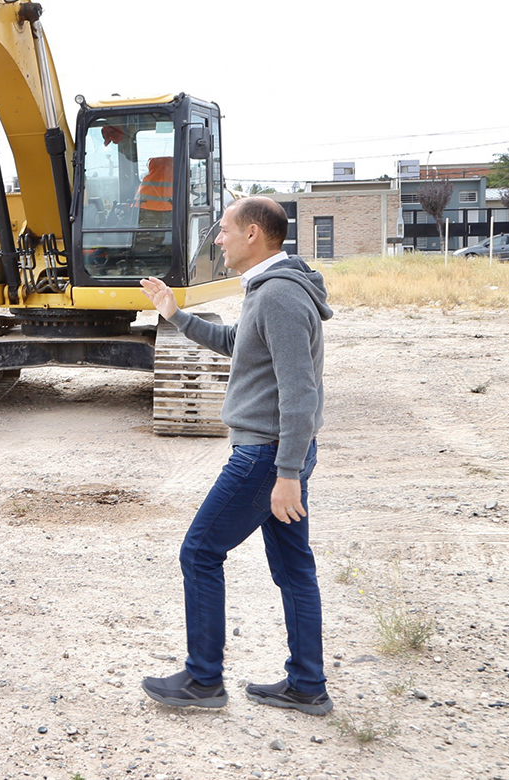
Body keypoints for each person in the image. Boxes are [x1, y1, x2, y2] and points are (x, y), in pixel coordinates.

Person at [138, 196, 335, 715]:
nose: (218, 239)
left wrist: (288, 472)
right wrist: (176, 315)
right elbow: (238, 344)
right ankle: (306, 686)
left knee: (200, 552)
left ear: (253, 234)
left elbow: (300, 394)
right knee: (294, 570)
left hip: (266, 457)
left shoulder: (278, 298)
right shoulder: (271, 290)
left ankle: (203, 681)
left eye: (224, 230)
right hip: (277, 453)